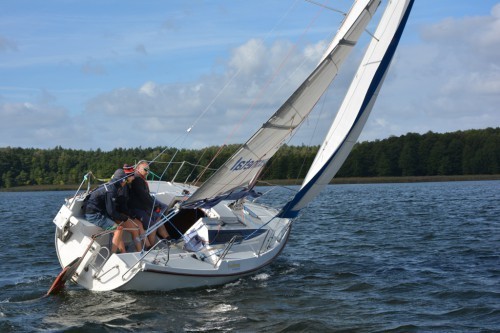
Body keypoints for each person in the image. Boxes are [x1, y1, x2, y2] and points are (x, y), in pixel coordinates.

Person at [129, 161, 170, 246]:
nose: (147, 172)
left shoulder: (141, 178)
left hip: (143, 206)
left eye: (148, 170)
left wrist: (155, 207)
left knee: (158, 218)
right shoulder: (137, 179)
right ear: (138, 169)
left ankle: (167, 238)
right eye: (145, 169)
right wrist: (155, 207)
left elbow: (145, 196)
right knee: (153, 224)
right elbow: (143, 196)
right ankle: (150, 246)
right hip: (137, 208)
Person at [116, 164, 151, 251]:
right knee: (135, 229)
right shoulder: (122, 189)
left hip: (124, 212)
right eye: (132, 176)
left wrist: (131, 214)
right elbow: (121, 205)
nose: (133, 177)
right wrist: (131, 214)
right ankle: (140, 251)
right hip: (118, 213)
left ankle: (148, 246)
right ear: (127, 177)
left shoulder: (126, 186)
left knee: (139, 225)